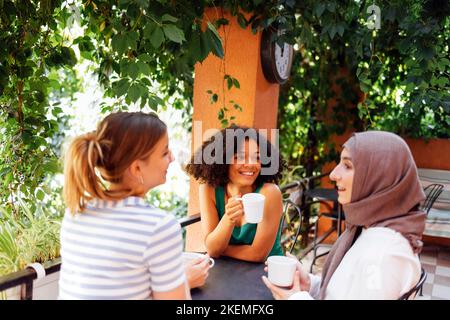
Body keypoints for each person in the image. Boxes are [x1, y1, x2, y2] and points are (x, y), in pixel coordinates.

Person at [59, 111, 210, 300]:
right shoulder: (158, 226)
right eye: (164, 152)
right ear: (137, 168)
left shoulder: (75, 213)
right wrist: (183, 280)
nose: (171, 158)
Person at [262, 131, 427, 300]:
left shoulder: (384, 255)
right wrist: (310, 284)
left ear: (379, 176)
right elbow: (346, 291)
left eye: (347, 166)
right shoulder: (370, 229)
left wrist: (295, 298)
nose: (333, 174)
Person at [185, 125, 286, 262]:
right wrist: (228, 219)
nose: (251, 164)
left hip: (269, 273)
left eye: (257, 157)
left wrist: (219, 249)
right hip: (228, 272)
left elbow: (258, 255)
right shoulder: (209, 189)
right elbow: (213, 249)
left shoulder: (270, 193)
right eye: (240, 157)